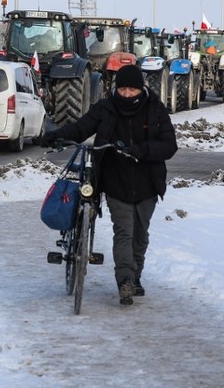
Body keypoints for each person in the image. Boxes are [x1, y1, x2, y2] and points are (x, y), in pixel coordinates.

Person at [42, 64, 178, 306]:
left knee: (140, 235)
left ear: (141, 89)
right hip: (115, 180)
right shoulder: (106, 108)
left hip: (148, 182)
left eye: (132, 90)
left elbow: (169, 145)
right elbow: (82, 126)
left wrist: (140, 151)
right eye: (122, 89)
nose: (126, 94)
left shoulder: (155, 109)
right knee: (124, 231)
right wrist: (56, 134)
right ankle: (125, 279)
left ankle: (135, 277)